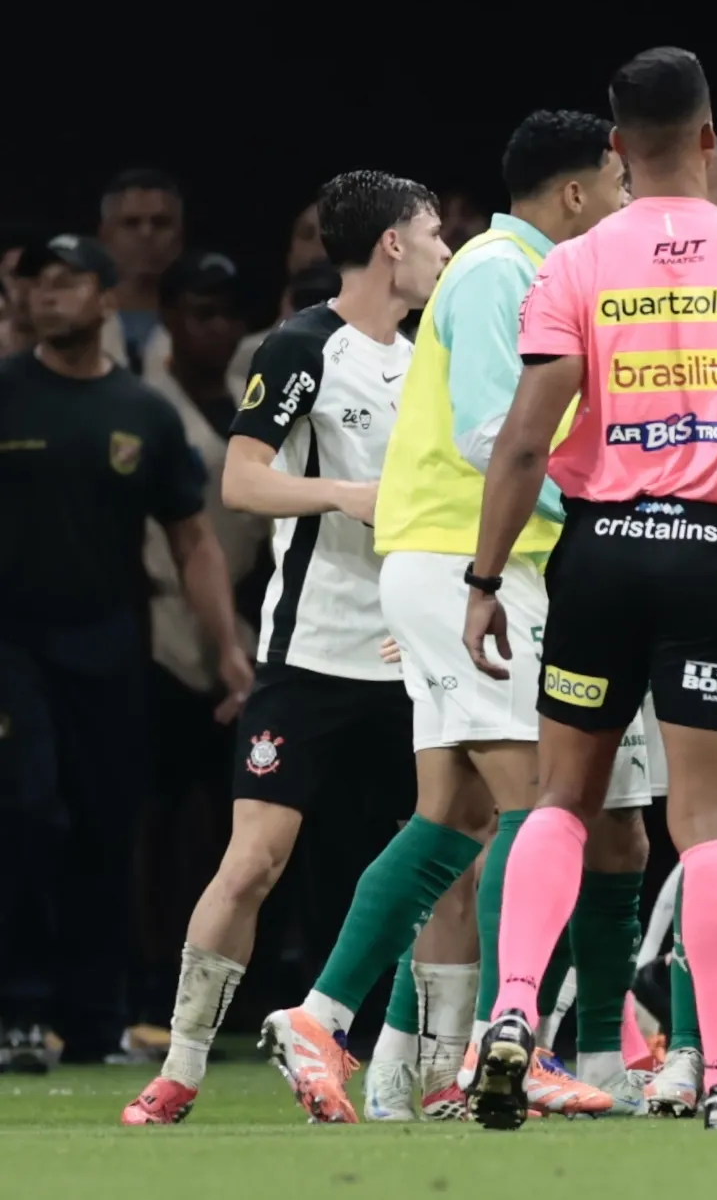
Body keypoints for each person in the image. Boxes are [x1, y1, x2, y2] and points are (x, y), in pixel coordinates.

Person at [446, 50, 717, 1134]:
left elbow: (526, 440)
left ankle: (508, 1016)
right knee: (711, 820)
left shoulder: (576, 262)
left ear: (618, 145)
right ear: (713, 135)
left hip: (603, 551)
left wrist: (484, 580)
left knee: (561, 798)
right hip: (716, 553)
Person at [256, 115, 647, 1129]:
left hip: (446, 559)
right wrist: (605, 503)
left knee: (452, 818)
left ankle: (321, 1015)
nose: (624, 196)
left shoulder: (504, 271)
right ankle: (503, 1045)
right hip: (475, 561)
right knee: (541, 805)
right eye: (614, 179)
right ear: (573, 193)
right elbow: (491, 434)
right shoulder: (499, 275)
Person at [128, 171, 443, 1128]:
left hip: (414, 651)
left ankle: (416, 1069)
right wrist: (346, 495)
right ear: (390, 241)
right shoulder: (305, 344)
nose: (440, 248)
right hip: (309, 654)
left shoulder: (434, 350)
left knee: (447, 858)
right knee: (255, 858)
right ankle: (181, 1065)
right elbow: (242, 482)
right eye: (430, 232)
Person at [0, 235, 243, 1086]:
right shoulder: (4, 391)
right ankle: (20, 1005)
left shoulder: (142, 409)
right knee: (29, 812)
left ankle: (94, 1015)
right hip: (12, 647)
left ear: (106, 297)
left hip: (110, 648)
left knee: (109, 823)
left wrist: (228, 649)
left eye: (67, 281)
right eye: (36, 283)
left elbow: (193, 540)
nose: (48, 295)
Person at [98, 169, 190, 368]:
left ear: (180, 237)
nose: (146, 234)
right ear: (105, 236)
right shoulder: (80, 324)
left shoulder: (204, 329)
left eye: (160, 223)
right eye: (131, 223)